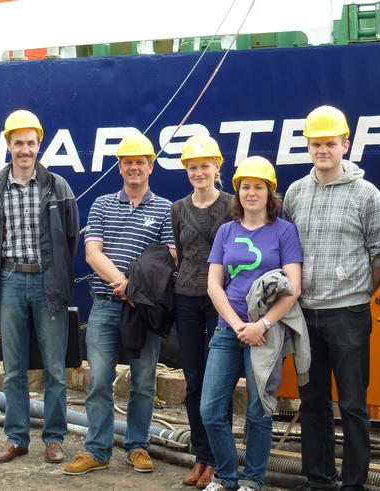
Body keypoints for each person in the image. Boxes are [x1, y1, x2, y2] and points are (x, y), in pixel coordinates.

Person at [282, 105, 380, 490]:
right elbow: (287, 248)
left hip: (348, 314)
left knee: (352, 405)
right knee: (312, 404)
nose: (322, 150)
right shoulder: (295, 192)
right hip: (305, 315)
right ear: (308, 146)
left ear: (345, 144)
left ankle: (354, 483)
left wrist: (360, 291)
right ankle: (319, 480)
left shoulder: (366, 194)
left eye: (330, 143)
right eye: (316, 143)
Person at [64, 132, 175, 476]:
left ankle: (137, 446)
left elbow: (170, 257)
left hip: (143, 311)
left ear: (150, 166)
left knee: (143, 383)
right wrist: (124, 284)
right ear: (120, 167)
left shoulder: (165, 209)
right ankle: (97, 449)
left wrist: (136, 290)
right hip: (106, 305)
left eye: (140, 162)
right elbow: (92, 252)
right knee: (98, 381)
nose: (134, 168)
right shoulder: (101, 204)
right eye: (128, 163)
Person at [0, 109, 79, 464]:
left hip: (46, 282)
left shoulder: (57, 187)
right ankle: (17, 437)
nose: (25, 149)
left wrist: (55, 276)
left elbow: (70, 238)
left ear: (39, 145)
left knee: (54, 367)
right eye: (18, 142)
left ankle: (53, 438)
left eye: (31, 143)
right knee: (13, 368)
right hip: (9, 280)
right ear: (8, 145)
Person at [200, 156, 303, 491]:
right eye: (246, 186)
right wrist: (236, 324)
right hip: (228, 330)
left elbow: (293, 287)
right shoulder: (226, 231)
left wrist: (263, 325)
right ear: (237, 192)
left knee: (259, 411)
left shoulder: (284, 232)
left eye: (259, 187)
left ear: (270, 192)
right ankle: (226, 476)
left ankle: (253, 480)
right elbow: (214, 284)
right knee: (211, 409)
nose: (251, 193)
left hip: (266, 334)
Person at [171, 134, 232, 488]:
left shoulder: (232, 205)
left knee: (217, 381)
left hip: (221, 301)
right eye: (193, 167)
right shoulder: (178, 208)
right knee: (194, 380)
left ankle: (217, 460)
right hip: (187, 299)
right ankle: (201, 456)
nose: (199, 172)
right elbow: (183, 251)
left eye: (204, 166)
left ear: (217, 167)